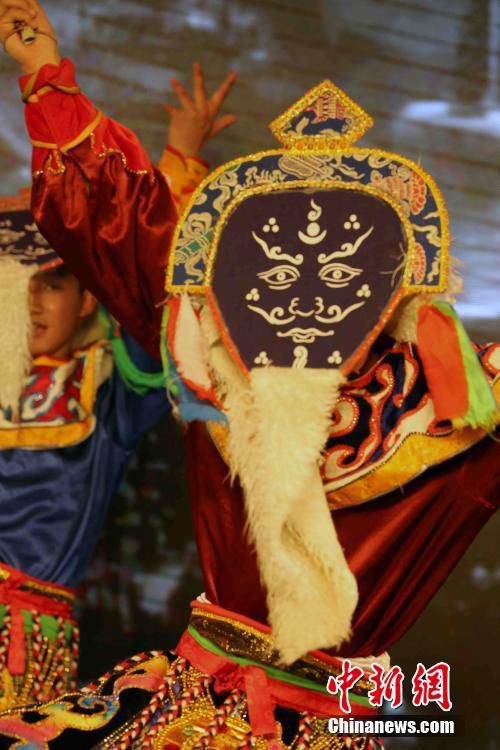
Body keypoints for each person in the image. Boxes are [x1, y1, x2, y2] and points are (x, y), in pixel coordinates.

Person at [0, 2, 498, 748]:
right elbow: (120, 221)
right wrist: (46, 74)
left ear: (396, 285)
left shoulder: (452, 405)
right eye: (278, 271)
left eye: (341, 273)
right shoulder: (218, 353)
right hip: (195, 709)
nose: (307, 296)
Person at [0, 34, 236, 711]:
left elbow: (147, 286)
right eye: (20, 285)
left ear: (86, 301)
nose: (34, 303)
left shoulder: (107, 389)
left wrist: (180, 160)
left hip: (21, 642)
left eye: (53, 285)